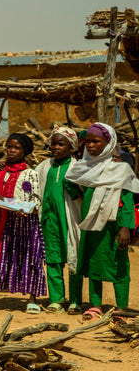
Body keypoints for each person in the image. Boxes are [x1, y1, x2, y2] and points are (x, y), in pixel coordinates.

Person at [64, 122, 138, 317]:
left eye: (96, 141)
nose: (90, 145)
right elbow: (69, 181)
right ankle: (95, 305)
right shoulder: (85, 168)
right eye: (87, 141)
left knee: (118, 262)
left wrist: (125, 227)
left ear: (108, 143)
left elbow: (127, 199)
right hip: (90, 224)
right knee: (92, 262)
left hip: (113, 226)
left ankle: (121, 306)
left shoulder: (120, 169)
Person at [0, 134, 47, 313]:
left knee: (29, 258)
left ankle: (32, 299)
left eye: (17, 148)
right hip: (4, 222)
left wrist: (27, 209)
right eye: (9, 147)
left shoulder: (31, 174)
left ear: (25, 151)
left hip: (25, 223)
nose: (11, 151)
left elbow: (36, 198)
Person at [35, 126, 83, 313]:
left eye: (60, 144)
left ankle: (76, 300)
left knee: (74, 257)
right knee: (53, 258)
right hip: (49, 220)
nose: (55, 147)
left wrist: (73, 188)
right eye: (53, 143)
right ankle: (56, 299)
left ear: (71, 146)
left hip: (71, 219)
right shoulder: (44, 166)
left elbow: (86, 193)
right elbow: (29, 182)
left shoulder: (78, 167)